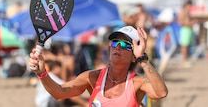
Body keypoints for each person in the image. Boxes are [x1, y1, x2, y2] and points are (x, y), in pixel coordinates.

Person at [29, 26, 168, 106]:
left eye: (125, 44)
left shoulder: (136, 83)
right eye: (115, 43)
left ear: (133, 56)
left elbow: (161, 93)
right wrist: (42, 73)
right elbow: (59, 92)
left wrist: (142, 59)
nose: (117, 47)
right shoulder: (92, 77)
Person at [178, 0, 196, 67]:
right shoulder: (183, 11)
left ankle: (185, 60)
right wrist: (190, 23)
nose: (190, 7)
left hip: (188, 29)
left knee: (187, 46)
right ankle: (184, 61)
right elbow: (180, 22)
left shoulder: (187, 12)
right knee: (184, 46)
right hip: (185, 29)